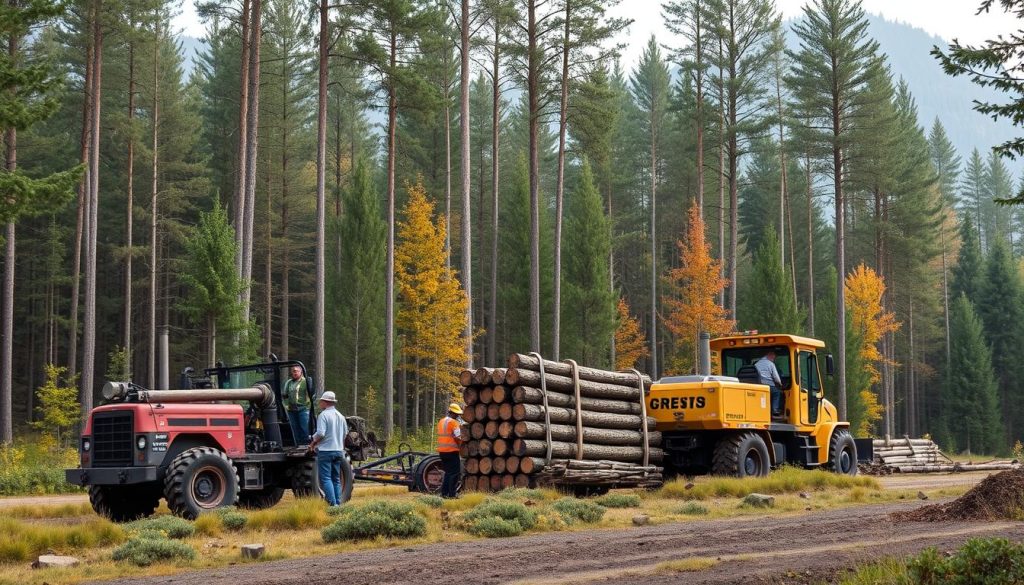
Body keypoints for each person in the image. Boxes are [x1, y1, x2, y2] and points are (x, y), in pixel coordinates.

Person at [307, 391, 348, 506]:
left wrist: (312, 442)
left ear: (326, 402)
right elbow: (345, 434)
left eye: (321, 401)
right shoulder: (341, 416)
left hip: (326, 451)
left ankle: (332, 505)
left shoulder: (323, 415)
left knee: (325, 478)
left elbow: (321, 433)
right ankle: (338, 504)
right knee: (336, 478)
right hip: (339, 451)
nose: (320, 403)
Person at [436, 403, 465, 498]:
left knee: (448, 473)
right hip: (452, 451)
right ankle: (452, 495)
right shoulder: (453, 423)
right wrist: (461, 446)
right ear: (452, 413)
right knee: (455, 473)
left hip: (442, 452)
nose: (458, 416)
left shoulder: (441, 421)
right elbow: (458, 437)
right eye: (457, 414)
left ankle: (444, 494)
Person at [282, 365, 310, 445]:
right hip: (291, 409)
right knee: (294, 428)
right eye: (293, 371)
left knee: (304, 428)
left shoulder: (306, 381)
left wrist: (308, 406)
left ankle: (305, 445)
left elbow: (311, 394)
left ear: (301, 372)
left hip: (303, 409)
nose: (294, 373)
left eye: (296, 371)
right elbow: (285, 395)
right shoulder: (289, 382)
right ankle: (297, 444)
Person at [755, 350, 784, 416]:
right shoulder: (771, 364)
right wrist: (780, 384)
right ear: (769, 355)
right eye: (773, 358)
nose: (773, 359)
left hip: (759, 385)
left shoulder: (757, 364)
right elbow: (776, 377)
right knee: (777, 392)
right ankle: (775, 409)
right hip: (769, 385)